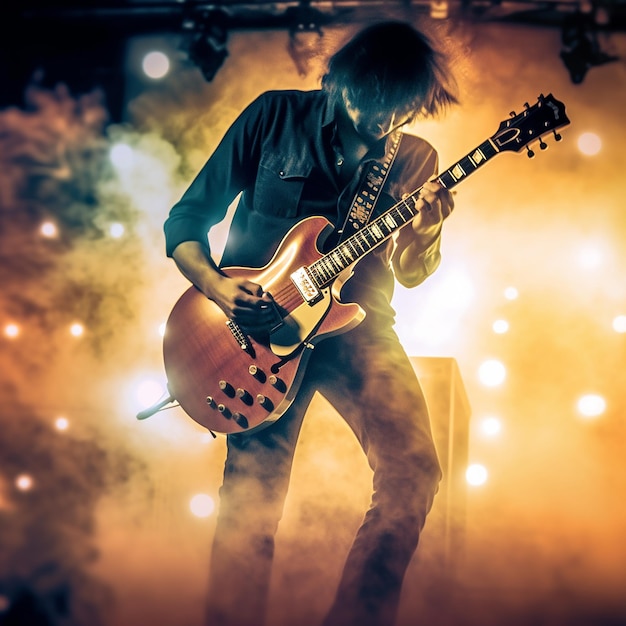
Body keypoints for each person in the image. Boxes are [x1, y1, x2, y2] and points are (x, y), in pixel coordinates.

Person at [164, 20, 458, 626]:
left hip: (359, 330)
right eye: (372, 104)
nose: (384, 121)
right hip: (256, 337)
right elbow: (186, 222)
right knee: (251, 505)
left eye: (399, 109)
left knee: (415, 471)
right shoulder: (273, 117)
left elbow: (411, 271)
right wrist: (219, 288)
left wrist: (426, 232)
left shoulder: (416, 157)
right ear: (340, 81)